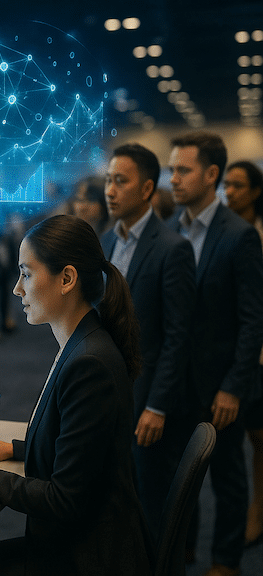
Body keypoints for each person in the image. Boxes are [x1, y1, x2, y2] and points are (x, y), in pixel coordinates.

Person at [0, 214, 152, 576]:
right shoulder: (81, 343)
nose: (17, 288)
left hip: (84, 557)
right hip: (74, 542)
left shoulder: (89, 363)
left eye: (26, 274)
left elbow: (66, 499)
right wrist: (13, 449)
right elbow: (78, 452)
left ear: (66, 278)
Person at [166, 132, 263, 576]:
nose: (174, 179)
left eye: (182, 170)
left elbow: (252, 321)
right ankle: (182, 548)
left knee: (227, 476)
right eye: (171, 170)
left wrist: (234, 386)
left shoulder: (239, 236)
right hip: (174, 382)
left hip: (220, 385)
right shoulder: (169, 231)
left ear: (211, 174)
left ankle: (225, 559)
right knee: (177, 475)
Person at [100, 143, 196, 537]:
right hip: (107, 390)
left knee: (151, 499)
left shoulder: (173, 248)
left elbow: (178, 336)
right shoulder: (104, 242)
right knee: (110, 494)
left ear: (147, 190)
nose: (109, 189)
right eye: (108, 179)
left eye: (120, 181)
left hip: (148, 398)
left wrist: (157, 405)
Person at [222, 159, 263, 547]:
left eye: (237, 185)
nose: (229, 191)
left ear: (255, 191)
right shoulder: (226, 233)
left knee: (259, 439)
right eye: (226, 185)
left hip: (258, 354)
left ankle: (257, 511)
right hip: (236, 355)